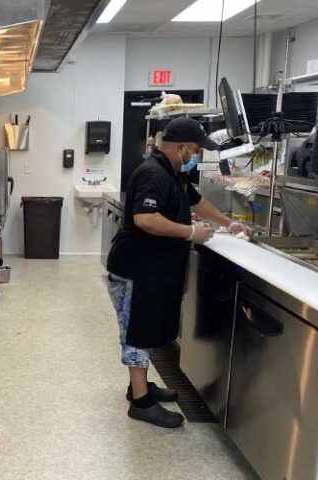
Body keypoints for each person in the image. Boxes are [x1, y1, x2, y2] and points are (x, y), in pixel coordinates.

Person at [106, 117, 251, 428]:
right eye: (196, 150)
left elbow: (196, 200)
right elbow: (146, 219)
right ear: (182, 147)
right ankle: (141, 403)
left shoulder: (173, 173)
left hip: (151, 270)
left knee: (146, 329)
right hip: (134, 270)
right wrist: (189, 233)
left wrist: (229, 223)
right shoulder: (153, 174)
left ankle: (139, 387)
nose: (196, 156)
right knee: (136, 334)